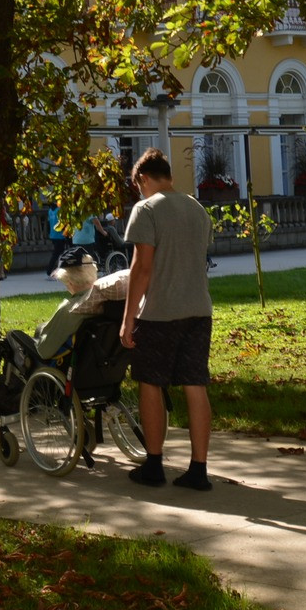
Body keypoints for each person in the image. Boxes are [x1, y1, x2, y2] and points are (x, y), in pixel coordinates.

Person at [117, 147, 215, 491]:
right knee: (195, 384)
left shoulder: (145, 209)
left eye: (138, 185)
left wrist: (128, 319)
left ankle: (154, 464)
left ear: (143, 178)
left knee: (150, 383)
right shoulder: (197, 209)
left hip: (160, 312)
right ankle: (199, 470)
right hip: (199, 310)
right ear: (169, 176)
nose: (139, 191)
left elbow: (141, 268)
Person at [44, 204, 72, 274]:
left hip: (53, 235)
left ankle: (60, 270)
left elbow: (48, 223)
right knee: (57, 254)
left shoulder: (50, 210)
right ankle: (49, 271)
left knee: (60, 253)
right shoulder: (59, 210)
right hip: (60, 235)